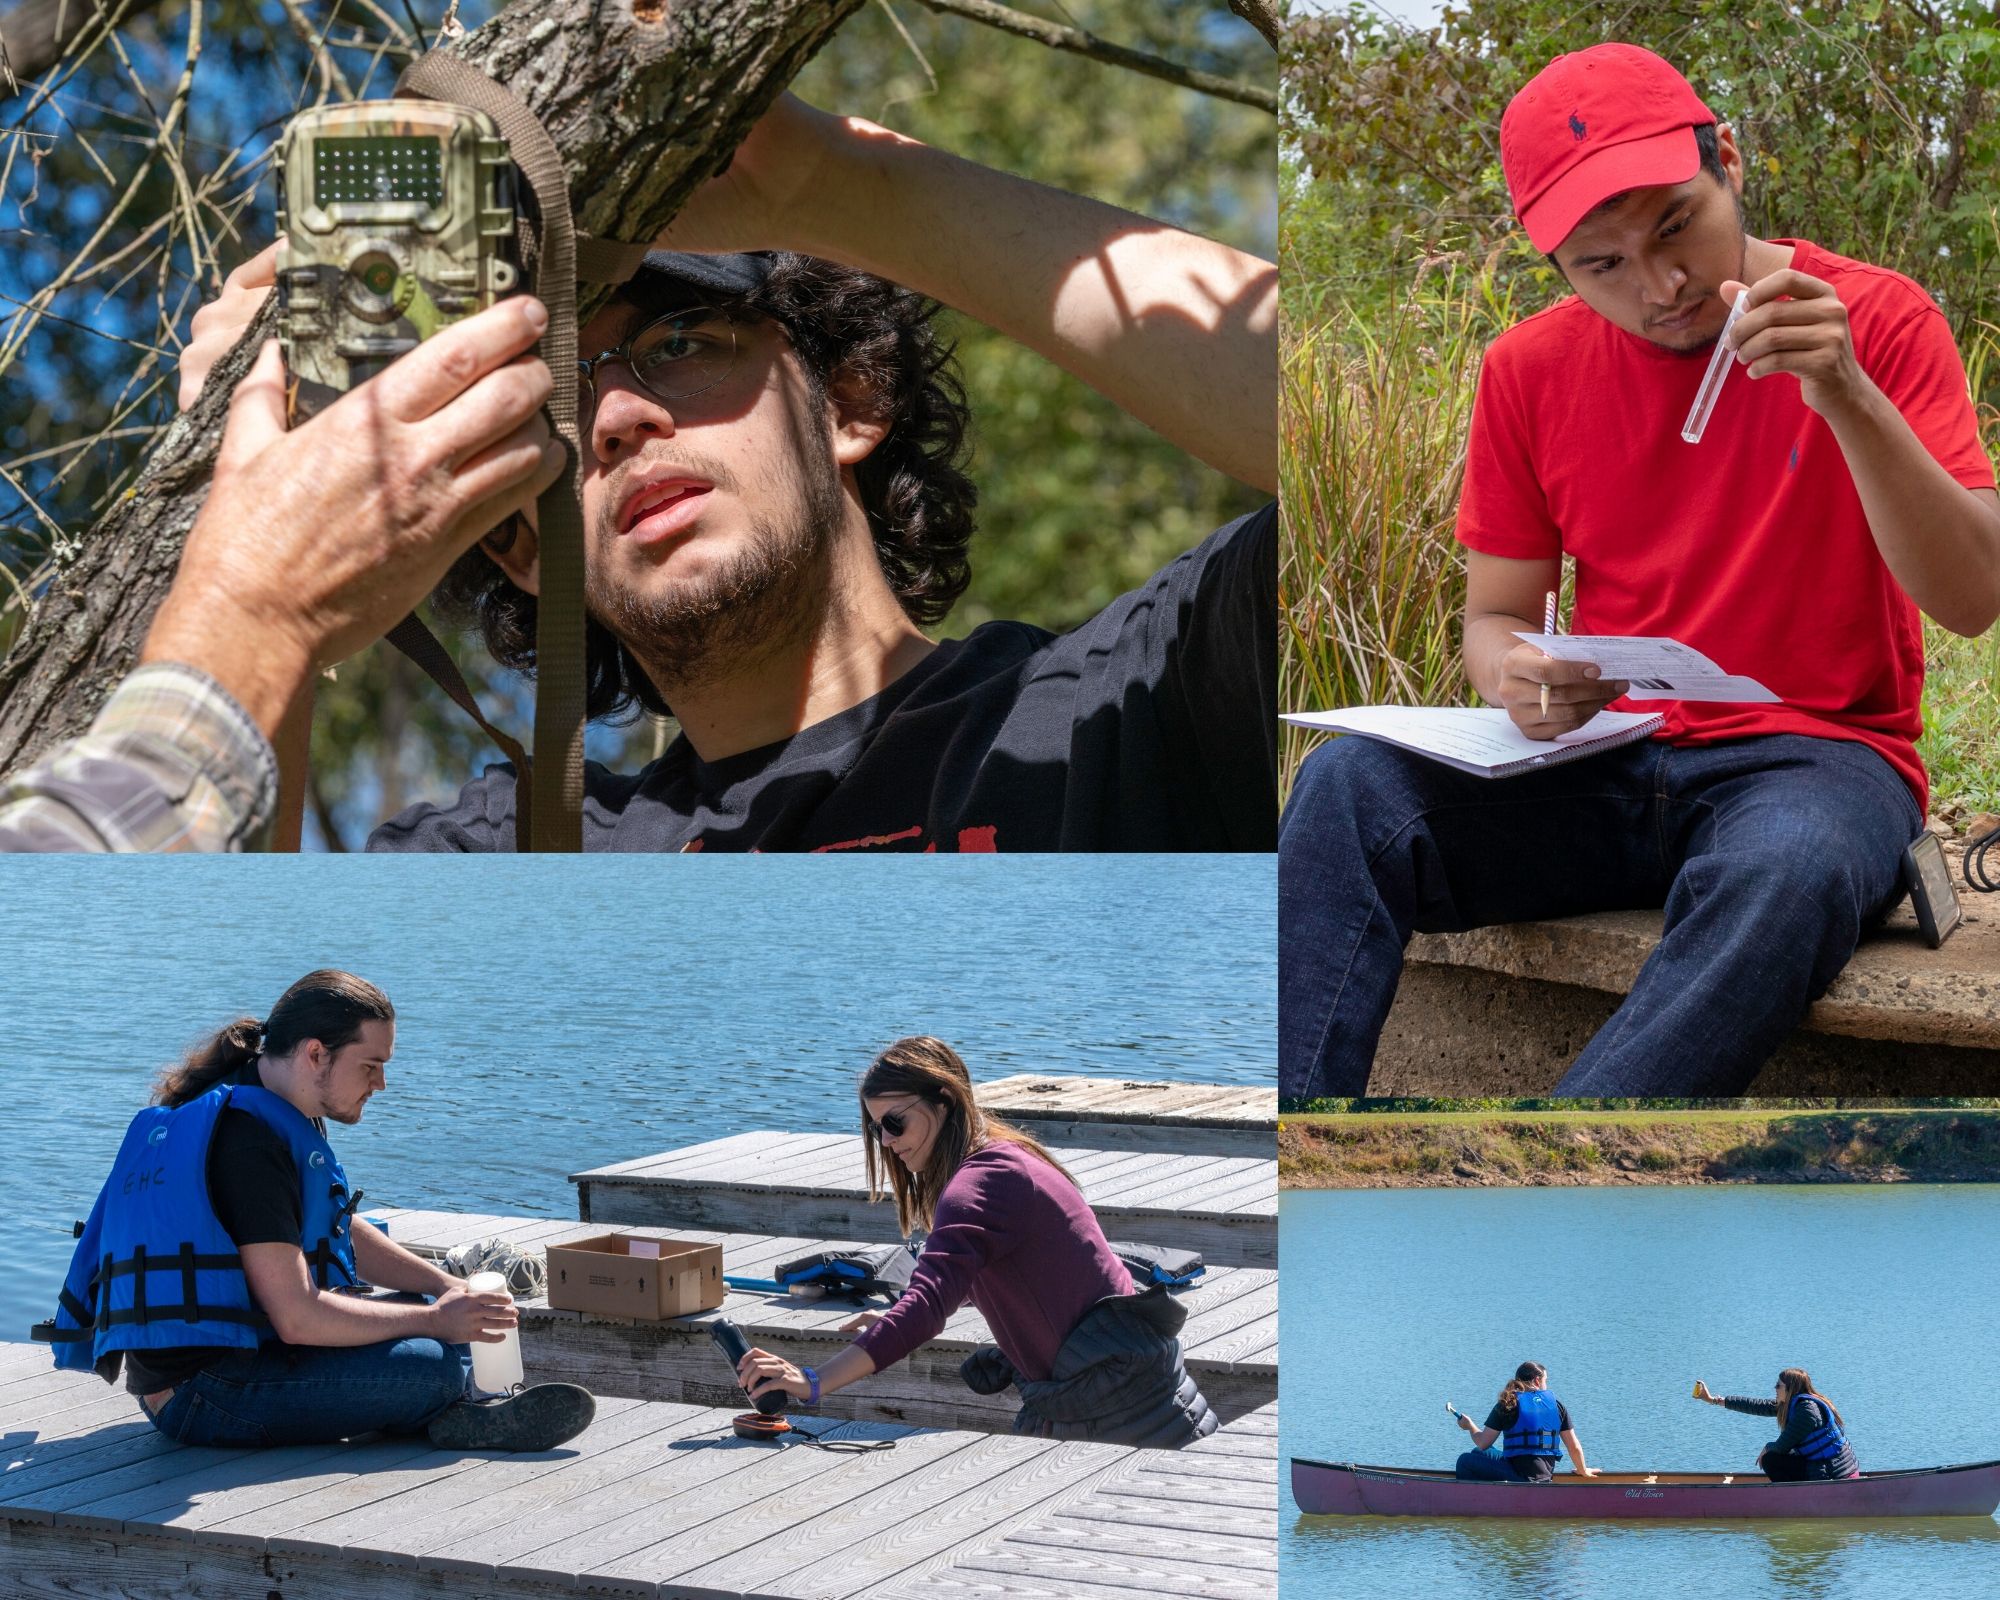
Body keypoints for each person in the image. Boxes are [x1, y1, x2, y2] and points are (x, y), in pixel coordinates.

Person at [175, 93, 1278, 852]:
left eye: (683, 341)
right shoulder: (510, 851)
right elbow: (211, 975)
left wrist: (830, 180)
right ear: (517, 547)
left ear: (851, 400)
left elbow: (1354, 435)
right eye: (556, 396)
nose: (615, 416)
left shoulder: (1132, 707)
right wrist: (247, 526)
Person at [1279, 42, 2000, 1098]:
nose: (1659, 287)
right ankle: (1297, 1147)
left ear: (1730, 167)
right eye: (1599, 265)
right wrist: (1516, 679)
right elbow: (1492, 617)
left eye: (1674, 225)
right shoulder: (1525, 371)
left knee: (1784, 868)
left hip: (1814, 759)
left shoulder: (1874, 321)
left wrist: (1844, 394)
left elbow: (1972, 598)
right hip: (1604, 756)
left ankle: (1554, 1180)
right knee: (1346, 785)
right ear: (1558, 268)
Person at [0, 299, 561, 851]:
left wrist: (256, 609)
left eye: (655, 349)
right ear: (518, 547)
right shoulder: (487, 847)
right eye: (567, 392)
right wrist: (268, 453)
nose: (622, 416)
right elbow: (230, 932)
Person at [33, 969, 596, 1452]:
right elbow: (298, 1316)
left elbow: (332, 1225)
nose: (381, 1083)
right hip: (203, 1394)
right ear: (315, 1053)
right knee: (431, 1362)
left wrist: (445, 1288)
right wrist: (434, 1320)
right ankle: (457, 1402)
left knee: (425, 1311)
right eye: (371, 1065)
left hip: (232, 1360)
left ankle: (458, 1401)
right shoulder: (246, 1142)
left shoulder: (266, 1101)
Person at [729, 1037, 1219, 1447]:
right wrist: (894, 1319)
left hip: (1115, 1408)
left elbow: (927, 1307)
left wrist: (812, 1383)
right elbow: (974, 1277)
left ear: (944, 1100)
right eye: (876, 1127)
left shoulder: (981, 1185)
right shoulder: (1005, 1158)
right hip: (1118, 1383)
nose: (885, 1141)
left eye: (895, 1122)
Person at [1694, 1371, 1859, 1481]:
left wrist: (1767, 1447)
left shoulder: (1807, 1412)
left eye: (1778, 1385)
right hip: (1828, 1467)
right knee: (1776, 1456)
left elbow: (1782, 1446)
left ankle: (1791, 1499)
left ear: (1791, 1388)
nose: (1775, 1388)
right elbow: (1757, 1405)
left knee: (1770, 1459)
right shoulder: (1794, 1404)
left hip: (1834, 1473)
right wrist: (1713, 1400)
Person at [1453, 1361, 1598, 1483]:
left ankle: (1486, 1500)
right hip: (1544, 1475)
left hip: (1521, 1477)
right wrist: (1582, 1470)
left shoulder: (1508, 1403)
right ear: (1536, 1380)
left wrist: (1470, 1426)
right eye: (1545, 1380)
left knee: (1464, 1461)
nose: (1546, 1385)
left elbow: (1483, 1441)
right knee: (1478, 1452)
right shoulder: (1557, 1406)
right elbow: (1574, 1447)